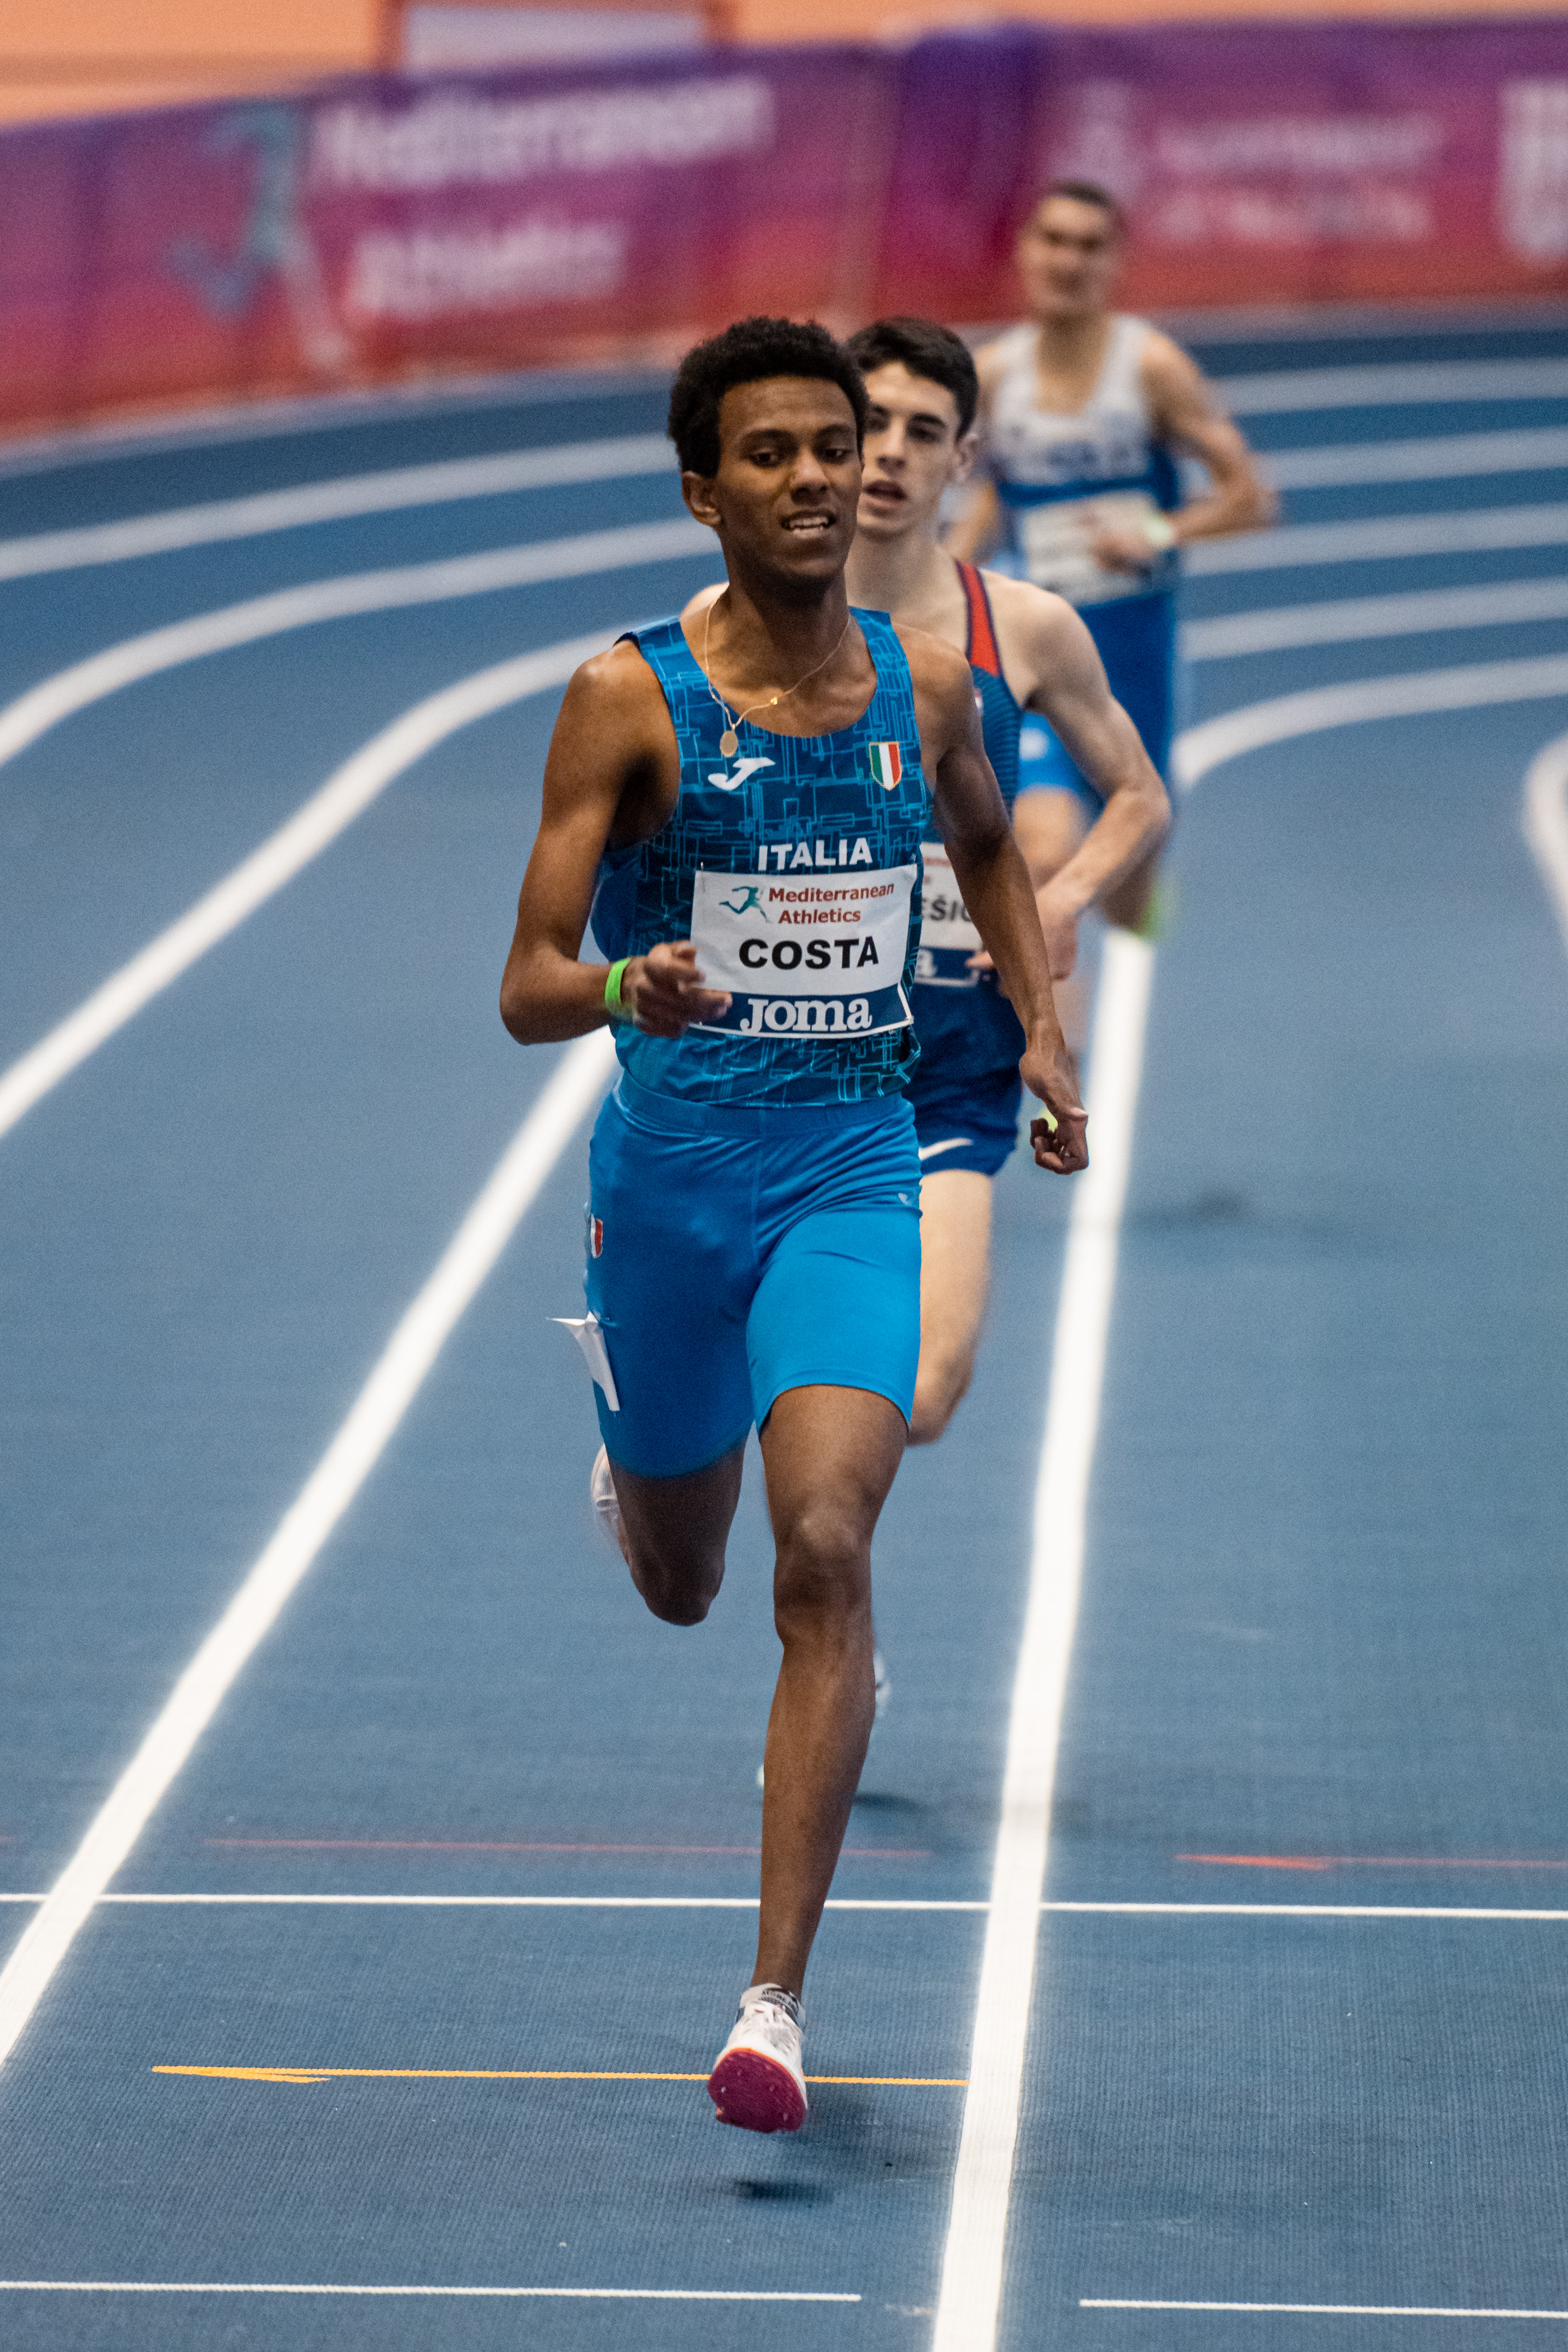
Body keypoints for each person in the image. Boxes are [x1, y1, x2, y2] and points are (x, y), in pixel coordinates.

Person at [499, 316, 1085, 2137]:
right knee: (686, 1584)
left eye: (835, 446)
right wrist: (629, 987)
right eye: (772, 453)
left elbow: (983, 843)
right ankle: (635, 1459)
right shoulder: (626, 699)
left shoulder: (929, 684)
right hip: (672, 1193)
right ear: (704, 491)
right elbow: (525, 984)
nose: (821, 476)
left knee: (824, 1542)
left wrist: (1040, 1029)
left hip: (852, 1166)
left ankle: (773, 2005)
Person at [845, 314, 1169, 1442]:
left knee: (927, 1391)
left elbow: (1139, 794)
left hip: (950, 1062)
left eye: (922, 431)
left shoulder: (1024, 628)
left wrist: (1063, 897)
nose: (891, 451)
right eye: (870, 424)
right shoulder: (747, 627)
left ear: (963, 458)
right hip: (793, 1054)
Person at [949, 178, 1275, 930]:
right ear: (1025, 251)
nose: (1068, 261)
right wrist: (941, 581)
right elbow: (995, 494)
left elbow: (1251, 498)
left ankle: (1129, 915)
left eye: (1089, 246)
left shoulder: (1152, 369)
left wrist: (1156, 535)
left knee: (1130, 894)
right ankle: (1042, 1004)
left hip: (1135, 653)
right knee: (1041, 848)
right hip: (1037, 644)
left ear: (1116, 261)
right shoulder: (995, 377)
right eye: (1054, 241)